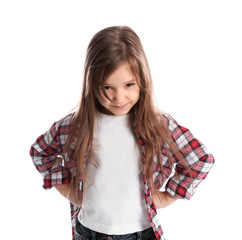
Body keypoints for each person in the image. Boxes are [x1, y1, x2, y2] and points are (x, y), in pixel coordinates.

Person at [30, 26, 215, 240]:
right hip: (89, 232)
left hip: (140, 232)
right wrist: (67, 190)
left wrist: (168, 195)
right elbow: (40, 151)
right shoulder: (76, 125)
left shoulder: (158, 125)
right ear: (92, 84)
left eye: (128, 85)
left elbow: (201, 159)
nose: (118, 98)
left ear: (142, 81)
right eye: (107, 87)